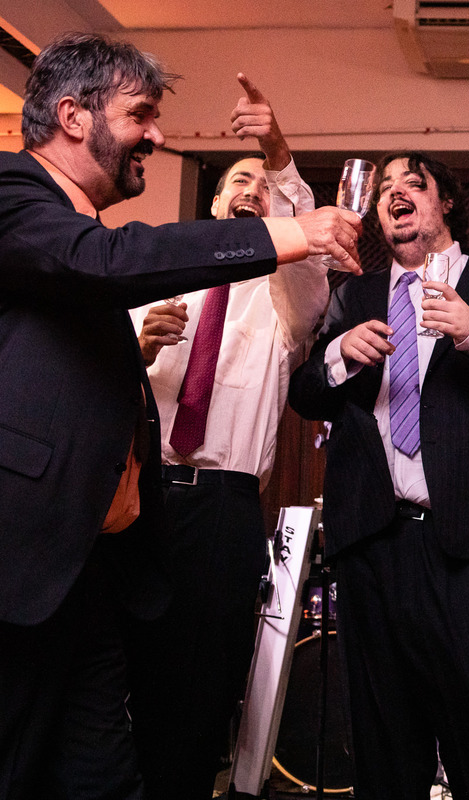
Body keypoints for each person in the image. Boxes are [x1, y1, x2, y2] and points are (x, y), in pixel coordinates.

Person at [0, 32, 361, 800]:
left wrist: (291, 211)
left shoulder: (259, 293)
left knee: (115, 766)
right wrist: (289, 231)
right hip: (31, 555)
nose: (158, 136)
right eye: (141, 115)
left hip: (126, 550)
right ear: (72, 116)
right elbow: (101, 269)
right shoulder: (15, 196)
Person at [288, 150, 469, 799]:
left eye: (412, 183)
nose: (395, 193)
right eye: (384, 187)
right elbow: (304, 395)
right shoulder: (353, 296)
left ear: (445, 200)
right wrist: (338, 356)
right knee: (385, 740)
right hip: (372, 542)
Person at [125, 74, 330, 800]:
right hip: (141, 498)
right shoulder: (153, 277)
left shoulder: (284, 301)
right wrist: (136, 353)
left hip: (223, 508)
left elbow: (309, 256)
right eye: (239, 181)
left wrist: (276, 153)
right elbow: (95, 389)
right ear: (214, 203)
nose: (251, 192)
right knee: (124, 672)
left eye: (263, 189)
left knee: (203, 686)